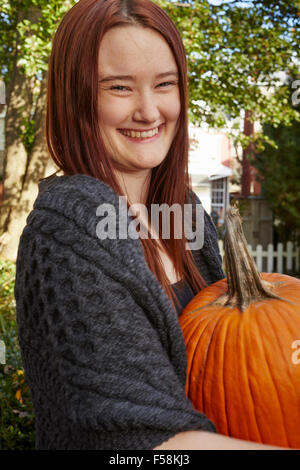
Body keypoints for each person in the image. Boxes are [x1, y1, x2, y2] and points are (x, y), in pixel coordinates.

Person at [14, 0, 283, 450]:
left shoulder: (185, 212)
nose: (149, 111)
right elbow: (153, 444)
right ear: (75, 96)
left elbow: (238, 360)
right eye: (119, 87)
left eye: (164, 84)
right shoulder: (68, 232)